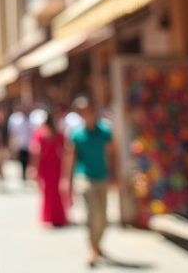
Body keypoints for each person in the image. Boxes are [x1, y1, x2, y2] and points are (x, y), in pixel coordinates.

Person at [62, 96, 115, 267]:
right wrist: (65, 179)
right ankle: (92, 248)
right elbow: (70, 158)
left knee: (103, 217)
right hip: (84, 178)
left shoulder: (104, 132)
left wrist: (115, 175)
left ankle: (97, 244)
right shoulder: (76, 134)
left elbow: (112, 154)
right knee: (92, 215)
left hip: (102, 177)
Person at [29, 113, 67, 228]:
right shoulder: (54, 135)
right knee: (51, 193)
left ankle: (53, 218)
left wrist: (33, 167)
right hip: (51, 166)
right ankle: (54, 217)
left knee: (51, 193)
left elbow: (36, 152)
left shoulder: (41, 134)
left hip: (50, 166)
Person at [7, 106, 35, 184]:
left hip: (28, 143)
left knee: (27, 159)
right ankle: (22, 174)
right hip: (20, 143)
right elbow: (12, 132)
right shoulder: (15, 119)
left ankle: (26, 174)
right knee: (21, 159)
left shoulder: (30, 119)